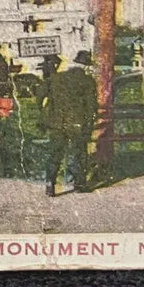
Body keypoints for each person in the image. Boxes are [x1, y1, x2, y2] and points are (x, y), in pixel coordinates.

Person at [42, 50, 98, 196]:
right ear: (86, 66)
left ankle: (50, 183)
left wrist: (45, 113)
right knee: (78, 153)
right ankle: (79, 183)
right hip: (77, 123)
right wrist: (90, 122)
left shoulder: (57, 78)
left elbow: (42, 95)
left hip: (57, 122)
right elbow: (92, 106)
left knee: (55, 152)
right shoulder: (87, 81)